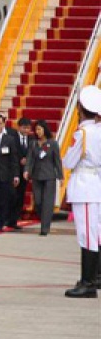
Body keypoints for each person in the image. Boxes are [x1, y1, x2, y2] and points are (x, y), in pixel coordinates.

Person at [62, 85, 101, 298]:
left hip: (85, 186)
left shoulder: (83, 133)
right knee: (96, 232)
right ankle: (95, 276)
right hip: (97, 183)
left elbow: (69, 161)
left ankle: (88, 283)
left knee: (87, 234)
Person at [24, 119, 63, 236]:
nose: (38, 132)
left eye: (39, 129)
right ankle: (43, 219)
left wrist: (60, 176)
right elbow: (30, 158)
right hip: (36, 176)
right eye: (36, 130)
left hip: (49, 176)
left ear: (45, 130)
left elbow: (57, 161)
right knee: (38, 202)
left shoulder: (52, 143)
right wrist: (27, 170)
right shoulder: (33, 143)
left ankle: (45, 227)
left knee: (48, 202)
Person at [12, 117, 34, 228]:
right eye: (24, 128)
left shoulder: (31, 139)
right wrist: (20, 159)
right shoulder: (12, 138)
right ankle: (9, 217)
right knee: (12, 195)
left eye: (28, 128)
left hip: (25, 172)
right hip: (13, 171)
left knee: (20, 196)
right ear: (19, 127)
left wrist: (27, 160)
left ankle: (15, 219)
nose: (26, 130)